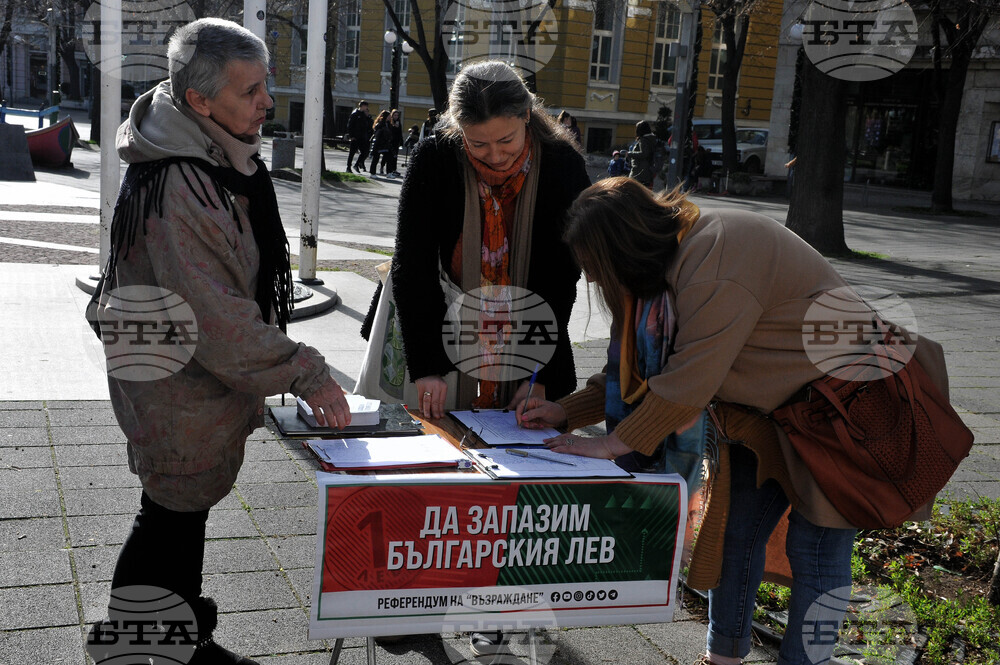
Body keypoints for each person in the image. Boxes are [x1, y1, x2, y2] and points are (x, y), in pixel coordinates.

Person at [516, 177, 952, 665]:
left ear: (624, 247)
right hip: (771, 414)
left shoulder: (714, 258)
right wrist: (566, 413)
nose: (593, 280)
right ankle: (723, 656)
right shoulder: (654, 275)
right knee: (734, 534)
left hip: (847, 410)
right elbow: (629, 371)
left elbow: (687, 384)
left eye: (594, 267)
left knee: (816, 549)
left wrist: (612, 444)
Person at [87, 18, 351, 665]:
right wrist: (305, 370)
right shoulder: (182, 180)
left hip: (184, 380)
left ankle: (176, 636)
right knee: (169, 516)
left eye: (265, 84)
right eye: (250, 90)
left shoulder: (206, 150)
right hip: (177, 381)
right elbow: (216, 315)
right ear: (201, 101)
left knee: (179, 513)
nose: (267, 101)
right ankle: (136, 642)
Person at [384, 60, 591, 656]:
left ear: (528, 120)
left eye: (507, 141)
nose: (496, 156)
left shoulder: (564, 167)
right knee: (438, 471)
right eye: (479, 145)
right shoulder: (433, 160)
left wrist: (538, 373)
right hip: (442, 324)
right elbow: (412, 267)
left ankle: (506, 606)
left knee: (517, 475)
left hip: (529, 328)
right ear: (456, 130)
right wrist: (425, 364)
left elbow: (561, 279)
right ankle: (421, 604)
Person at [628, 120, 658, 188]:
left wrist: (630, 154)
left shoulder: (643, 140)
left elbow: (644, 154)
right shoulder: (652, 139)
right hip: (648, 171)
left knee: (631, 189)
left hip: (639, 171)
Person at [346, 99, 372, 173]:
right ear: (362, 106)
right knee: (352, 153)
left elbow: (366, 125)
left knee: (365, 152)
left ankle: (356, 164)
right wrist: (351, 136)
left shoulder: (363, 115)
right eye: (365, 106)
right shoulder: (355, 114)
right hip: (355, 137)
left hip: (362, 137)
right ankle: (348, 167)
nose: (366, 108)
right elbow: (350, 125)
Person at [368, 109, 391, 175]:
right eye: (389, 116)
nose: (390, 117)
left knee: (389, 158)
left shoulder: (388, 124)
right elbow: (377, 135)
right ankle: (372, 173)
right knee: (376, 159)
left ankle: (389, 173)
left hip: (385, 144)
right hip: (379, 143)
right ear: (385, 116)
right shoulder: (380, 124)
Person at [384, 108, 404, 177]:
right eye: (395, 115)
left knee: (395, 157)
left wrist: (401, 141)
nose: (396, 117)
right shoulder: (390, 123)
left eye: (397, 115)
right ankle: (388, 170)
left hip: (396, 142)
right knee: (390, 157)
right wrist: (394, 127)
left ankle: (393, 169)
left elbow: (400, 132)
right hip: (391, 142)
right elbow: (390, 132)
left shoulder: (398, 123)